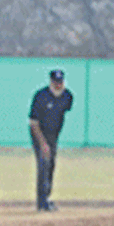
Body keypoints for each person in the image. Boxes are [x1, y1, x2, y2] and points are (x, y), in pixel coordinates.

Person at [29, 69, 73, 211]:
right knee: (43, 165)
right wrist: (43, 144)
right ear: (51, 82)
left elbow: (63, 111)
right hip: (38, 133)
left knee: (51, 165)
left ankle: (46, 198)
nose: (58, 85)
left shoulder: (67, 97)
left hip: (53, 135)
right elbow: (33, 123)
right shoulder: (40, 96)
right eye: (55, 82)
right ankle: (41, 203)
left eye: (60, 82)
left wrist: (51, 141)